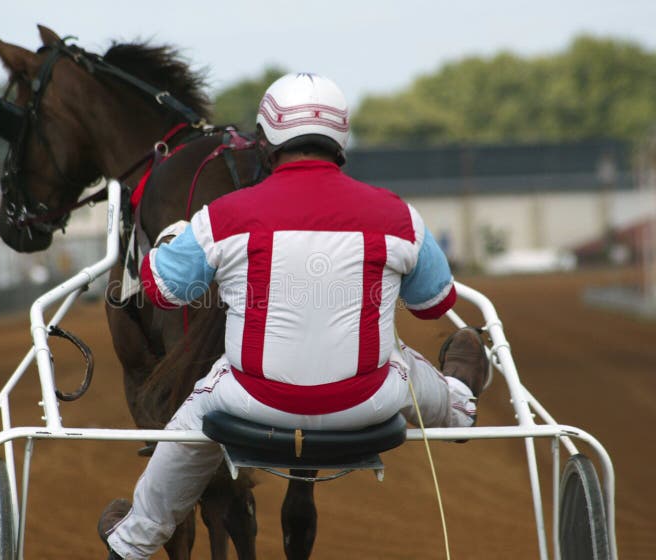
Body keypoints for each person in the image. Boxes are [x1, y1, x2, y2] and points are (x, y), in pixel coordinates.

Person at [98, 73, 488, 559]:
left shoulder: (224, 216)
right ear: (340, 141)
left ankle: (133, 540)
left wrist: (173, 239)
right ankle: (462, 404)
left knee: (189, 424)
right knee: (407, 367)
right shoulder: (398, 216)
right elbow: (435, 305)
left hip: (251, 402)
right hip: (368, 402)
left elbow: (161, 291)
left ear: (265, 142)